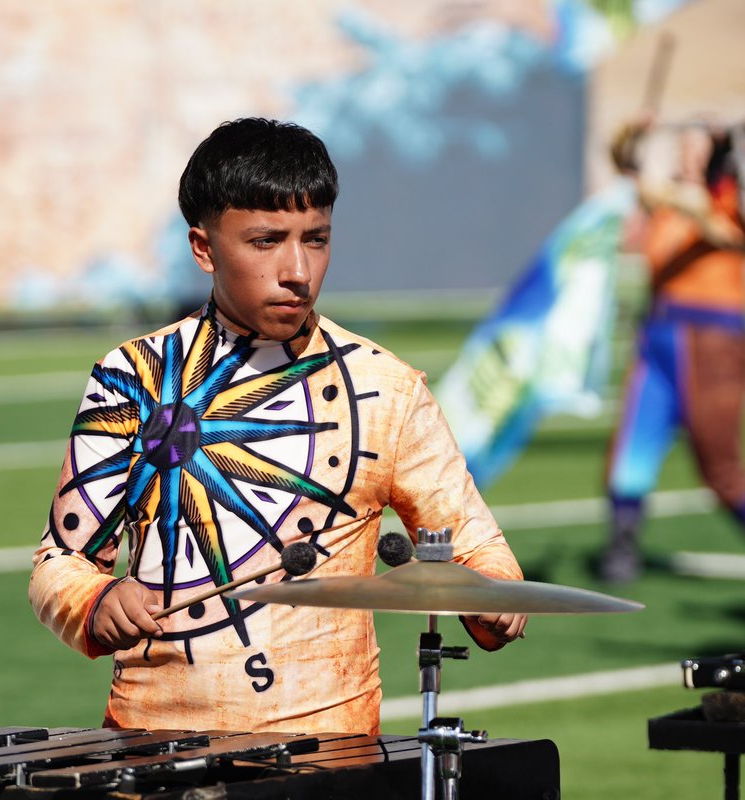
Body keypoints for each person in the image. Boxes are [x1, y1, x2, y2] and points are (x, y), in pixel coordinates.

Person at [30, 118, 526, 735]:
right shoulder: (132, 377)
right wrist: (95, 600)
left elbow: (479, 548)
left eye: (315, 239)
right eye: (266, 241)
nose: (298, 270)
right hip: (149, 741)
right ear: (204, 248)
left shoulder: (387, 388)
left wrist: (493, 596)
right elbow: (61, 561)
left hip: (332, 752)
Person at [596, 118, 745, 584]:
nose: (686, 155)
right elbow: (632, 180)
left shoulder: (726, 200)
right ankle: (620, 549)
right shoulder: (667, 200)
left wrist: (741, 160)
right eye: (682, 146)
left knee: (722, 468)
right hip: (658, 335)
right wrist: (629, 140)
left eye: (697, 147)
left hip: (713, 341)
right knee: (630, 450)